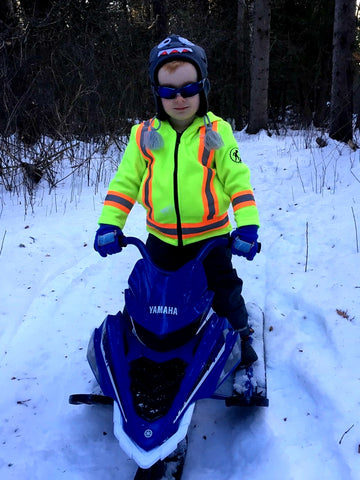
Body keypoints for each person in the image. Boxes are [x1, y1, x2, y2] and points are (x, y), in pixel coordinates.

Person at [94, 35, 260, 367]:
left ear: (203, 87)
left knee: (224, 290)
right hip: (162, 239)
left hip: (211, 240)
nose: (179, 98)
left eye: (188, 88)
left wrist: (248, 227)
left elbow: (237, 181)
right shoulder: (143, 136)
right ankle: (138, 342)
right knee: (148, 295)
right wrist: (110, 224)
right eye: (169, 91)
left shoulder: (217, 132)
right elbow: (125, 183)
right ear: (158, 94)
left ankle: (240, 332)